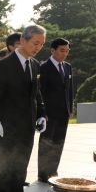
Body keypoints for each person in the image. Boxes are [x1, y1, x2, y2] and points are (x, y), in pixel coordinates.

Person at [0, 25, 47, 192]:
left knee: (21, 167)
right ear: (22, 40)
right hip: (6, 127)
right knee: (5, 168)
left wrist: (41, 113)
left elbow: (36, 93)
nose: (38, 47)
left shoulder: (35, 65)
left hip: (27, 126)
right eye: (35, 43)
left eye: (41, 44)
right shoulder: (3, 66)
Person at [38, 38, 74, 182]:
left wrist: (70, 108)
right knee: (46, 143)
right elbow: (40, 92)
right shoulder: (43, 67)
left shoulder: (68, 67)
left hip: (64, 112)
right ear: (53, 50)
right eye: (62, 50)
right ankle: (43, 174)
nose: (64, 54)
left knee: (59, 142)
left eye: (67, 51)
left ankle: (53, 171)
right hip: (49, 113)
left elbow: (69, 90)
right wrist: (42, 112)